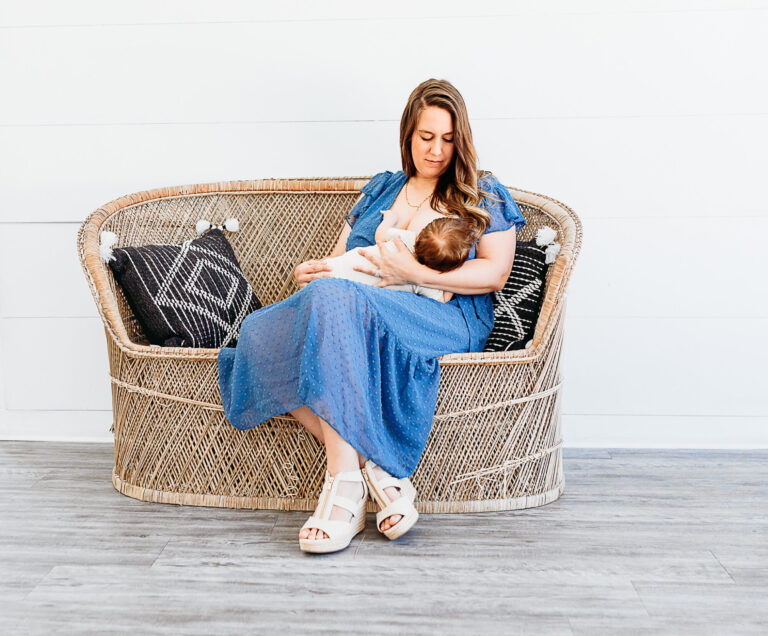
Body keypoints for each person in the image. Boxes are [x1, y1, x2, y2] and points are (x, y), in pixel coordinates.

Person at [217, 78, 526, 554]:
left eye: (447, 139)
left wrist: (413, 268)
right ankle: (375, 468)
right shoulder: (381, 189)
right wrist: (312, 272)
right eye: (426, 138)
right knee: (259, 332)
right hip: (359, 301)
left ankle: (342, 486)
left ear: (460, 139)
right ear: (408, 134)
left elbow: (495, 274)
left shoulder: (481, 191)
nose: (437, 151)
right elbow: (339, 263)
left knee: (336, 301)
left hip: (442, 314)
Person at [325, 213, 476, 303]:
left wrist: (390, 219)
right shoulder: (427, 285)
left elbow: (380, 235)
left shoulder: (406, 239)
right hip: (351, 292)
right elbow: (443, 300)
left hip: (341, 265)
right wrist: (452, 272)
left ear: (421, 234)